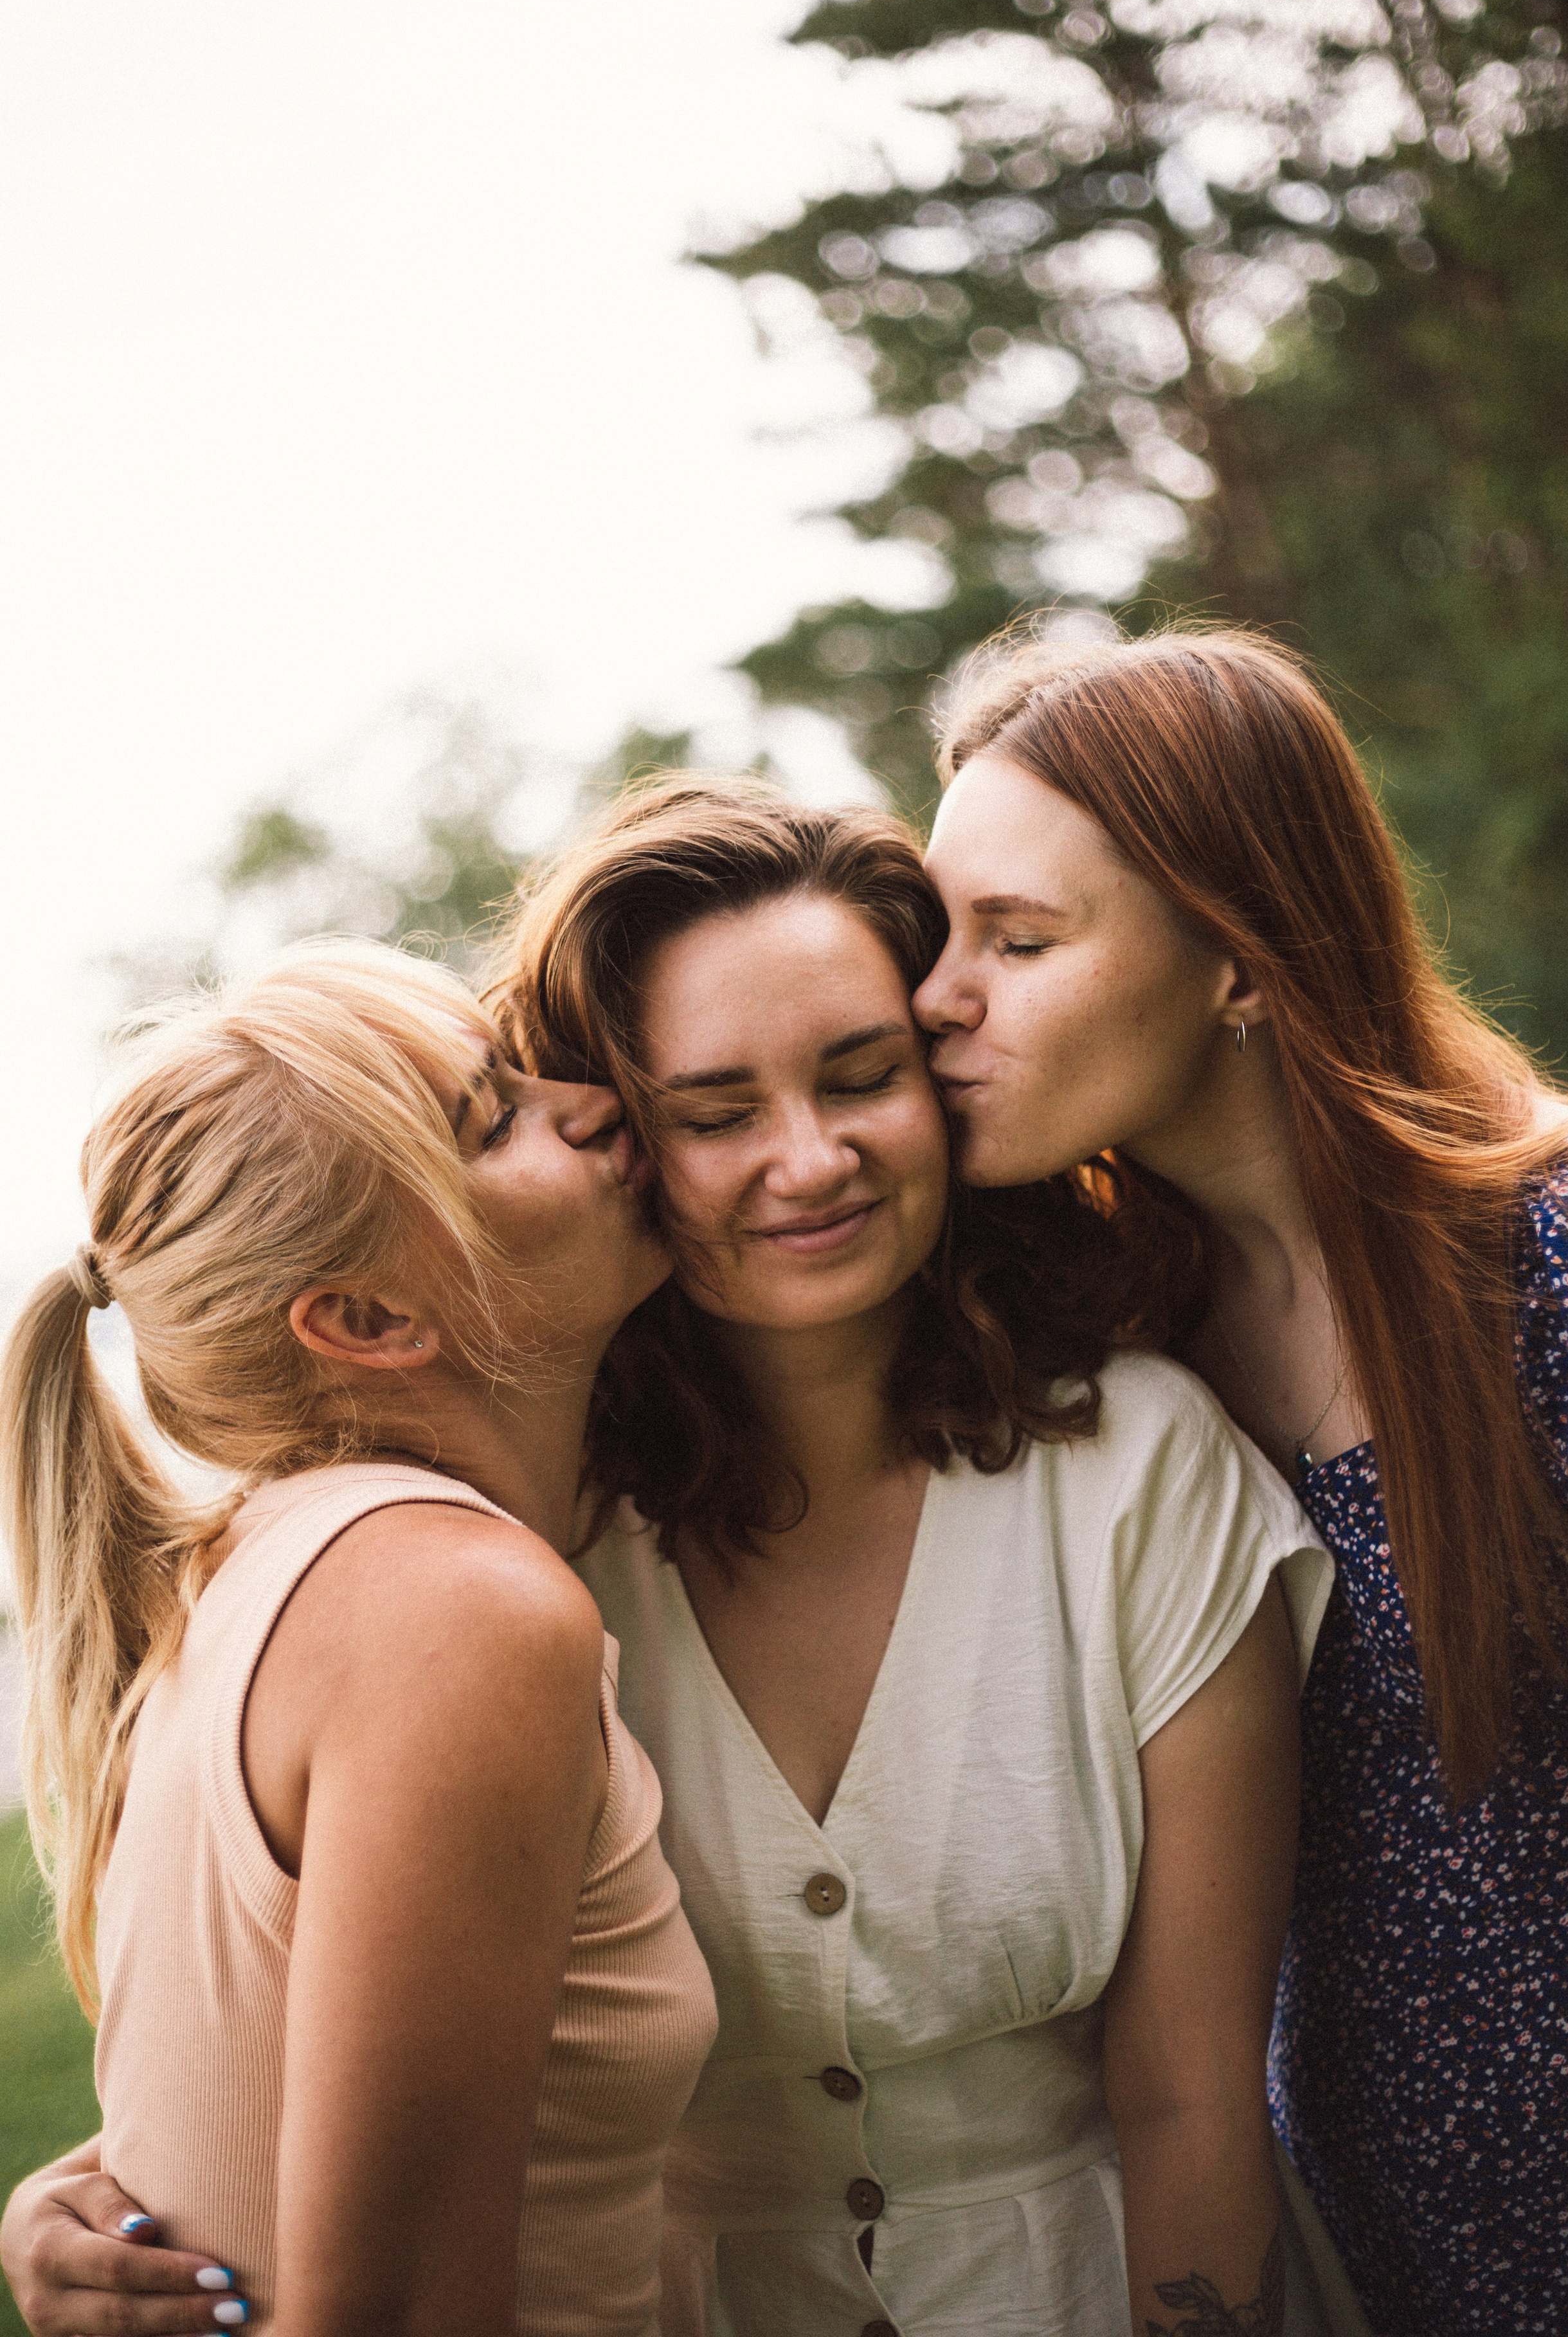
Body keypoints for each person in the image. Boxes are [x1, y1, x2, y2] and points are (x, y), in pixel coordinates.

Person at [491, 781, 1340, 2336]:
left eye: (858, 1076)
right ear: (612, 1140)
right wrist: (102, 2192)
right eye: (715, 1113)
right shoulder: (534, 1547)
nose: (808, 1161)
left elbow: (1192, 2095)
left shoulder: (1138, 1470)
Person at [909, 624, 1568, 2337]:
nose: (941, 997)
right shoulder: (1098, 1340)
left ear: (1243, 960)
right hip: (1388, 2283)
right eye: (936, 937)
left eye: (1018, 941)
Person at [0, 941, 716, 2337]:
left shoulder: (258, 1569)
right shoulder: (457, 1614)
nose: (585, 1103)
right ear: (372, 1320)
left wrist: (70, 2196)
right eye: (493, 1119)